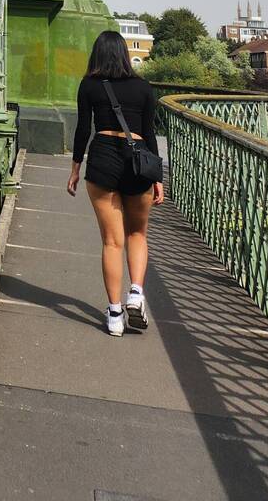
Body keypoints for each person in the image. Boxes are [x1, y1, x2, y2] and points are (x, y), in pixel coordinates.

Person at [67, 30, 164, 336]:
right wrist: (158, 177)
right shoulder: (143, 88)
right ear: (124, 54)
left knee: (112, 241)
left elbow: (83, 129)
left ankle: (114, 315)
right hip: (138, 162)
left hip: (103, 158)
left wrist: (75, 168)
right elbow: (148, 133)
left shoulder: (89, 85)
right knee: (137, 233)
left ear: (96, 54)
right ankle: (136, 293)